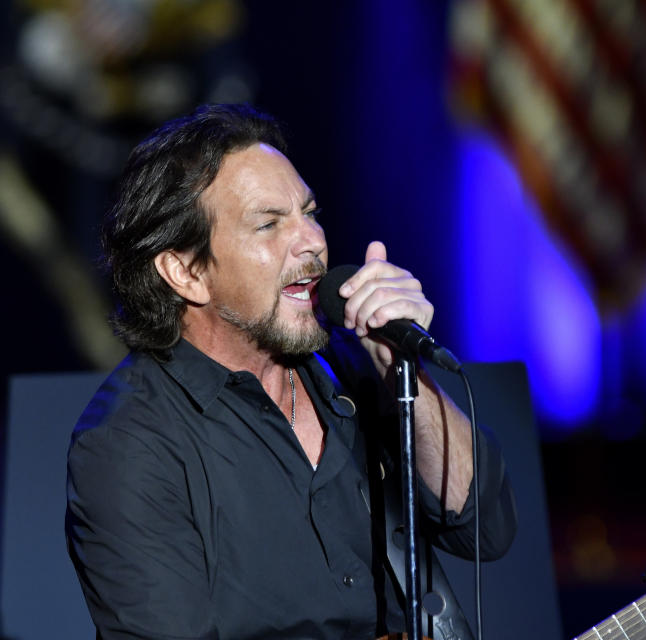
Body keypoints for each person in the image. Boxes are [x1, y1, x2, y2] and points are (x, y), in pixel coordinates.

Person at [65, 103, 517, 639]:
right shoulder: (129, 444)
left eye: (309, 212)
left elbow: (487, 530)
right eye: (269, 224)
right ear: (186, 272)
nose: (312, 242)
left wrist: (403, 369)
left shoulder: (355, 367)